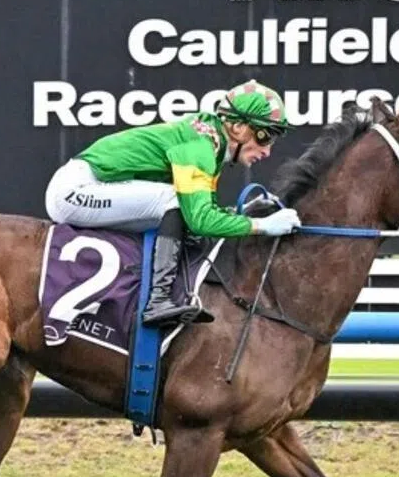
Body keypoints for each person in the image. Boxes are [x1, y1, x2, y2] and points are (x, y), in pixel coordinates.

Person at [44, 80, 302, 327]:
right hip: (74, 190)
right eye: (265, 136)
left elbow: (203, 215)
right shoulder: (200, 147)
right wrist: (262, 225)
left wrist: (242, 215)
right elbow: (201, 220)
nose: (267, 151)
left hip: (89, 186)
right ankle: (158, 300)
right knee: (174, 201)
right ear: (238, 128)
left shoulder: (210, 140)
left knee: (181, 212)